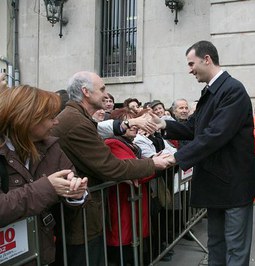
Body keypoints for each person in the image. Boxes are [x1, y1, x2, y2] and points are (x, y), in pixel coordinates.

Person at [152, 40, 255, 266]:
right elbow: (193, 127)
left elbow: (215, 134)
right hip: (217, 184)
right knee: (216, 244)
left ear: (206, 59)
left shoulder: (232, 90)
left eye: (192, 64)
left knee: (235, 250)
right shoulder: (212, 91)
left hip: (234, 185)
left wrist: (176, 157)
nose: (189, 69)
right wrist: (162, 124)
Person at [51, 71, 171, 266]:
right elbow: (110, 166)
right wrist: (152, 163)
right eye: (102, 89)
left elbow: (102, 129)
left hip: (85, 215)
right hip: (80, 220)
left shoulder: (77, 117)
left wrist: (128, 123)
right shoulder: (75, 122)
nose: (106, 95)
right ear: (85, 92)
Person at [0, 85, 88, 265]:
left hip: (42, 251)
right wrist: (47, 187)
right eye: (50, 117)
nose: (56, 122)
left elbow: (72, 178)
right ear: (26, 119)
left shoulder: (51, 147)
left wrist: (76, 193)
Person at [104, 108, 154, 265]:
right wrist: (154, 165)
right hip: (123, 204)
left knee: (135, 244)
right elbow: (133, 172)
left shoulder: (131, 144)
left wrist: (149, 163)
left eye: (135, 122)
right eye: (129, 122)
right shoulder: (113, 143)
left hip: (133, 202)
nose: (134, 126)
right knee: (124, 249)